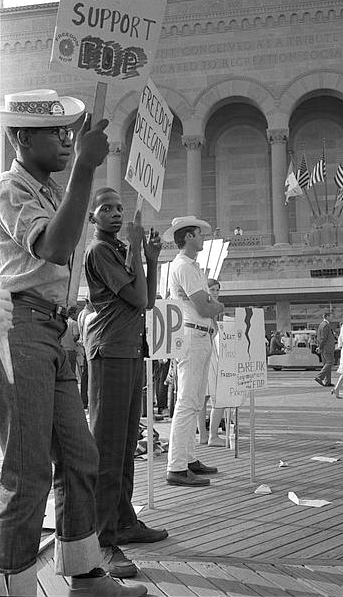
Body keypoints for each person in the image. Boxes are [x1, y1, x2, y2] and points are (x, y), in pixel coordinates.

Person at [0, 89, 146, 596]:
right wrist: (85, 167)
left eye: (69, 133)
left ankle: (83, 572)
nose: (66, 141)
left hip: (52, 331)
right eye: (56, 134)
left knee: (80, 456)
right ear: (21, 137)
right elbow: (55, 246)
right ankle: (13, 584)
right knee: (26, 469)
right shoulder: (8, 189)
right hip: (19, 329)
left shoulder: (47, 193)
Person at [84, 188, 168, 579]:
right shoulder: (100, 251)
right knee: (107, 446)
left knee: (125, 443)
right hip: (110, 351)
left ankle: (124, 520)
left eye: (119, 208)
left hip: (130, 351)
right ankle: (103, 539)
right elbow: (135, 298)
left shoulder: (120, 250)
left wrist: (151, 258)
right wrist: (136, 249)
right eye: (106, 209)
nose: (116, 214)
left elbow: (149, 300)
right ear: (93, 218)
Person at [162, 216, 225, 487]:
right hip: (194, 333)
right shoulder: (185, 267)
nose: (202, 238)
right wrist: (217, 306)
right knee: (188, 401)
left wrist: (212, 304)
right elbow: (205, 306)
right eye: (198, 234)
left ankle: (187, 459)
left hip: (199, 334)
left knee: (194, 400)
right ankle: (177, 465)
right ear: (188, 237)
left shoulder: (190, 267)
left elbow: (206, 302)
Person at [197, 278, 226, 448]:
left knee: (204, 398)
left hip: (210, 356)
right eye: (212, 289)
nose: (215, 292)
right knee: (215, 398)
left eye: (217, 290)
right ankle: (211, 435)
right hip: (209, 357)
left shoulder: (212, 311)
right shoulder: (207, 310)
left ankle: (205, 434)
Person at [77, 296, 96, 409]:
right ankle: (85, 400)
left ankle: (84, 400)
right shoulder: (87, 314)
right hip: (88, 346)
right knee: (88, 375)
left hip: (85, 346)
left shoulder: (82, 313)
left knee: (86, 375)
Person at [315, 311, 336, 387]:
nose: (332, 318)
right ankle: (320, 377)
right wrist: (320, 347)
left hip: (324, 347)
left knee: (326, 364)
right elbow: (324, 338)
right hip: (327, 347)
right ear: (327, 317)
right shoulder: (326, 325)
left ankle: (327, 381)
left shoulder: (321, 325)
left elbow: (319, 337)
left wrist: (319, 347)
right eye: (331, 316)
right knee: (330, 362)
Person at [60, 306, 80, 373]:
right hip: (70, 350)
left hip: (61, 349)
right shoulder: (73, 323)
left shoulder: (61, 322)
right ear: (73, 313)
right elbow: (76, 336)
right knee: (71, 371)